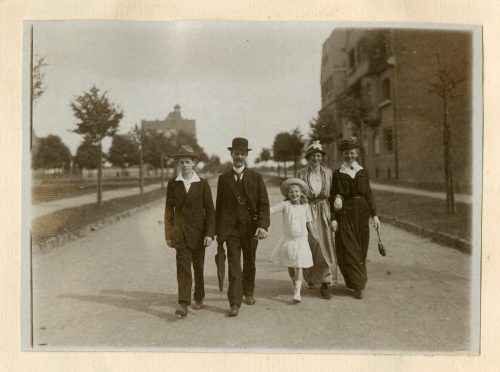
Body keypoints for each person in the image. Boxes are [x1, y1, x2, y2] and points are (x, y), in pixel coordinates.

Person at [215, 137, 270, 317]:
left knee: (250, 262)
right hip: (231, 231)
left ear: (246, 156)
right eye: (236, 153)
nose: (239, 156)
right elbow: (220, 206)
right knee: (233, 266)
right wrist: (218, 232)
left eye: (242, 154)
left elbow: (264, 204)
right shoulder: (223, 179)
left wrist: (262, 226)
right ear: (231, 154)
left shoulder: (256, 177)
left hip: (250, 229)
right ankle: (234, 302)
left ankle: (249, 292)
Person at [164, 145, 215, 318]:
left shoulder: (202, 184)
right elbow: (169, 211)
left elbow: (210, 211)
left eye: (187, 162)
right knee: (183, 268)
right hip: (180, 233)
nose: (184, 165)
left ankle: (199, 297)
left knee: (198, 267)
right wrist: (169, 234)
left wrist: (209, 234)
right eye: (181, 162)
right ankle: (183, 303)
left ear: (194, 163)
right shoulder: (173, 184)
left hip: (199, 234)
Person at [330, 137, 381, 299]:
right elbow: (333, 196)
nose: (349, 156)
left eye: (352, 153)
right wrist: (333, 218)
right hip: (345, 214)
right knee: (348, 247)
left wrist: (375, 215)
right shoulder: (337, 173)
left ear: (356, 153)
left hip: (362, 214)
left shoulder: (362, 171)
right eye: (346, 153)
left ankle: (353, 281)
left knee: (361, 248)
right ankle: (359, 285)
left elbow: (369, 194)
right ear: (342, 154)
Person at [297, 141, 337, 299]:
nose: (316, 159)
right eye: (313, 156)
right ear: (308, 158)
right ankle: (311, 277)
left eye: (319, 156)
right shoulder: (301, 174)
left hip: (324, 211)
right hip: (307, 212)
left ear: (322, 158)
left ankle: (325, 283)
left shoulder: (328, 173)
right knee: (311, 244)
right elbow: (296, 194)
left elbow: (333, 196)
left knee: (325, 245)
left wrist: (333, 218)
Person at [269, 178, 316, 304]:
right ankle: (294, 282)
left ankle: (297, 292)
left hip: (301, 240)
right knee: (291, 265)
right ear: (287, 194)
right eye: (291, 192)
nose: (294, 194)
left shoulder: (305, 207)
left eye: (296, 191)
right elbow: (271, 210)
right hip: (288, 239)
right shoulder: (285, 205)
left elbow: (309, 221)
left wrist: (313, 234)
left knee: (299, 265)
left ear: (301, 193)